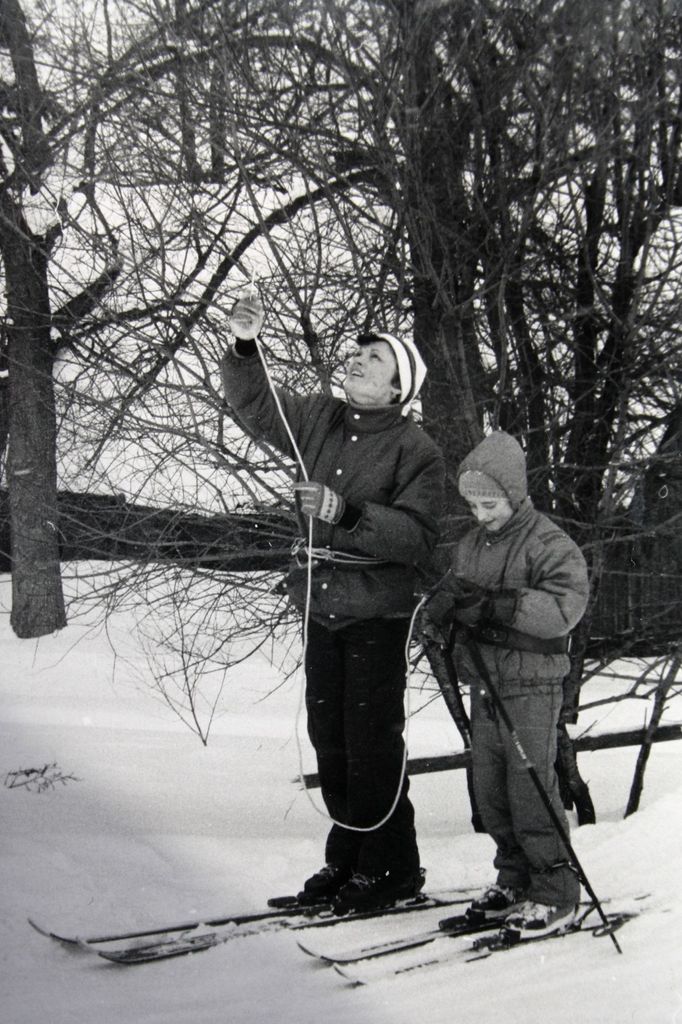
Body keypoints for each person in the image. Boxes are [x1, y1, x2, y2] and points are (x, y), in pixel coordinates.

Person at [221, 289, 445, 915]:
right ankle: (347, 860)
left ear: (400, 388)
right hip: (322, 607)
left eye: (375, 360)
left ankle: (391, 868)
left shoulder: (417, 451)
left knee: (372, 740)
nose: (357, 361)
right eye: (359, 353)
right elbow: (256, 404)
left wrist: (345, 513)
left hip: (379, 613)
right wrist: (245, 346)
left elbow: (419, 538)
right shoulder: (320, 418)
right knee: (331, 738)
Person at [423, 430, 589, 938]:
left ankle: (557, 891)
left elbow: (564, 608)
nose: (481, 515)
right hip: (486, 684)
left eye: (490, 504)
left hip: (533, 686)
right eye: (473, 505)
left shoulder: (547, 542)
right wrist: (443, 607)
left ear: (514, 494)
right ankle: (514, 879)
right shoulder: (471, 544)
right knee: (491, 789)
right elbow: (453, 589)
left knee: (530, 787)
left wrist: (498, 605)